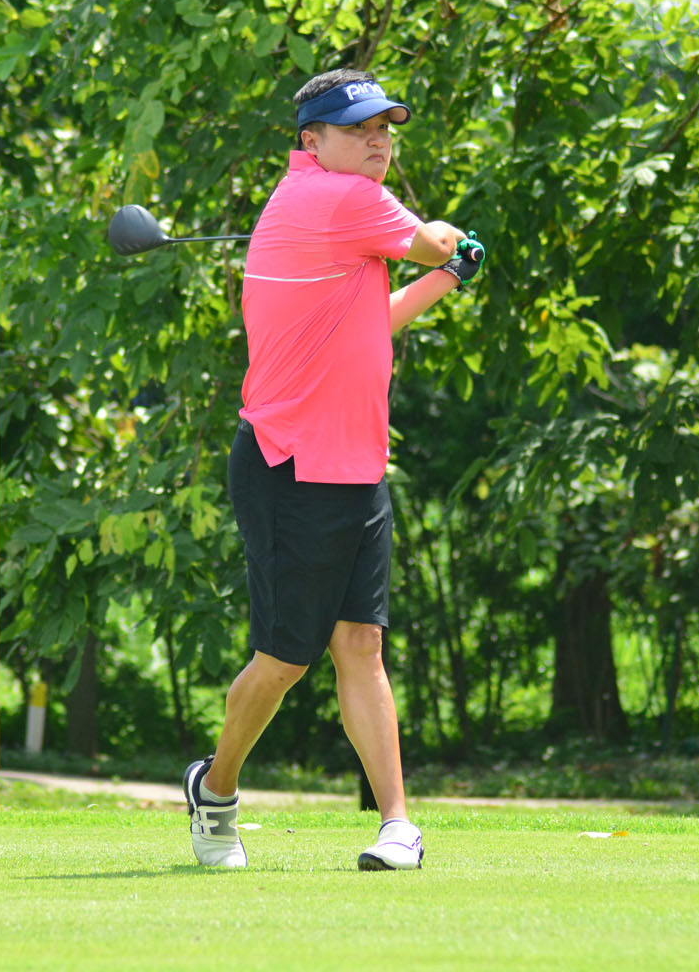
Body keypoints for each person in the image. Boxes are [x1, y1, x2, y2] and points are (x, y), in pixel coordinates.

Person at [184, 68, 484, 871]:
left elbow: (368, 323)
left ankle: (397, 825)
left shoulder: (329, 209)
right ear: (310, 141)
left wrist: (445, 279)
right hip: (291, 466)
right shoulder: (342, 199)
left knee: (361, 644)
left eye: (384, 128)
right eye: (358, 130)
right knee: (286, 658)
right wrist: (450, 246)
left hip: (356, 466)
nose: (377, 141)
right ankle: (215, 789)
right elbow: (434, 237)